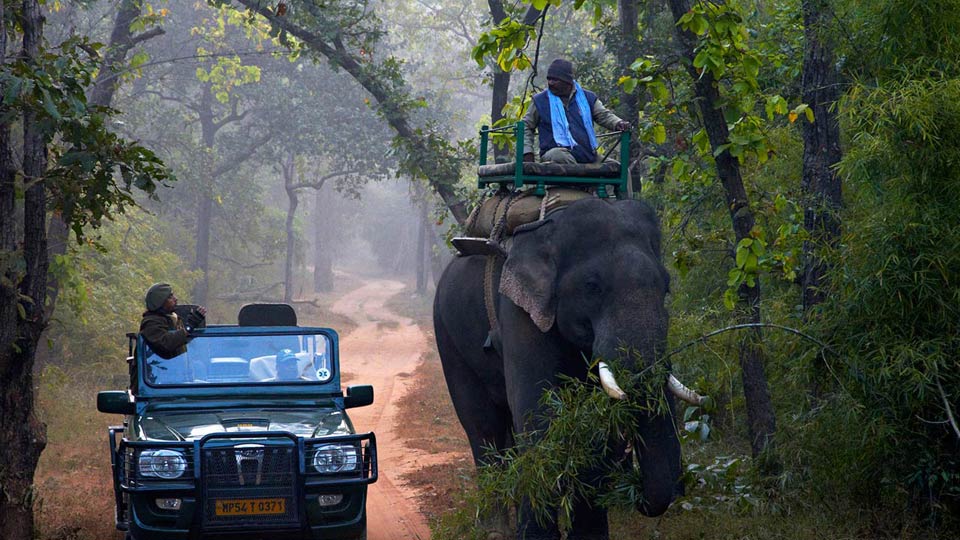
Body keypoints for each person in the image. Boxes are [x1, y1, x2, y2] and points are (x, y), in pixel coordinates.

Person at [523, 58, 631, 165]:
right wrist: (527, 152)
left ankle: (585, 175)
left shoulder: (588, 98)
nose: (550, 83)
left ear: (568, 82)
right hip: (554, 153)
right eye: (549, 79)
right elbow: (526, 125)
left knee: (619, 169)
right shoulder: (540, 100)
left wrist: (618, 123)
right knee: (561, 156)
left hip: (586, 155)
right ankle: (581, 180)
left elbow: (604, 115)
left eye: (555, 80)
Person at [139, 283, 207, 359]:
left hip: (179, 367)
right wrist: (189, 327)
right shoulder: (150, 323)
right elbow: (165, 344)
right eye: (170, 297)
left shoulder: (174, 318)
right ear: (160, 302)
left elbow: (190, 344)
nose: (175, 299)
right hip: (161, 369)